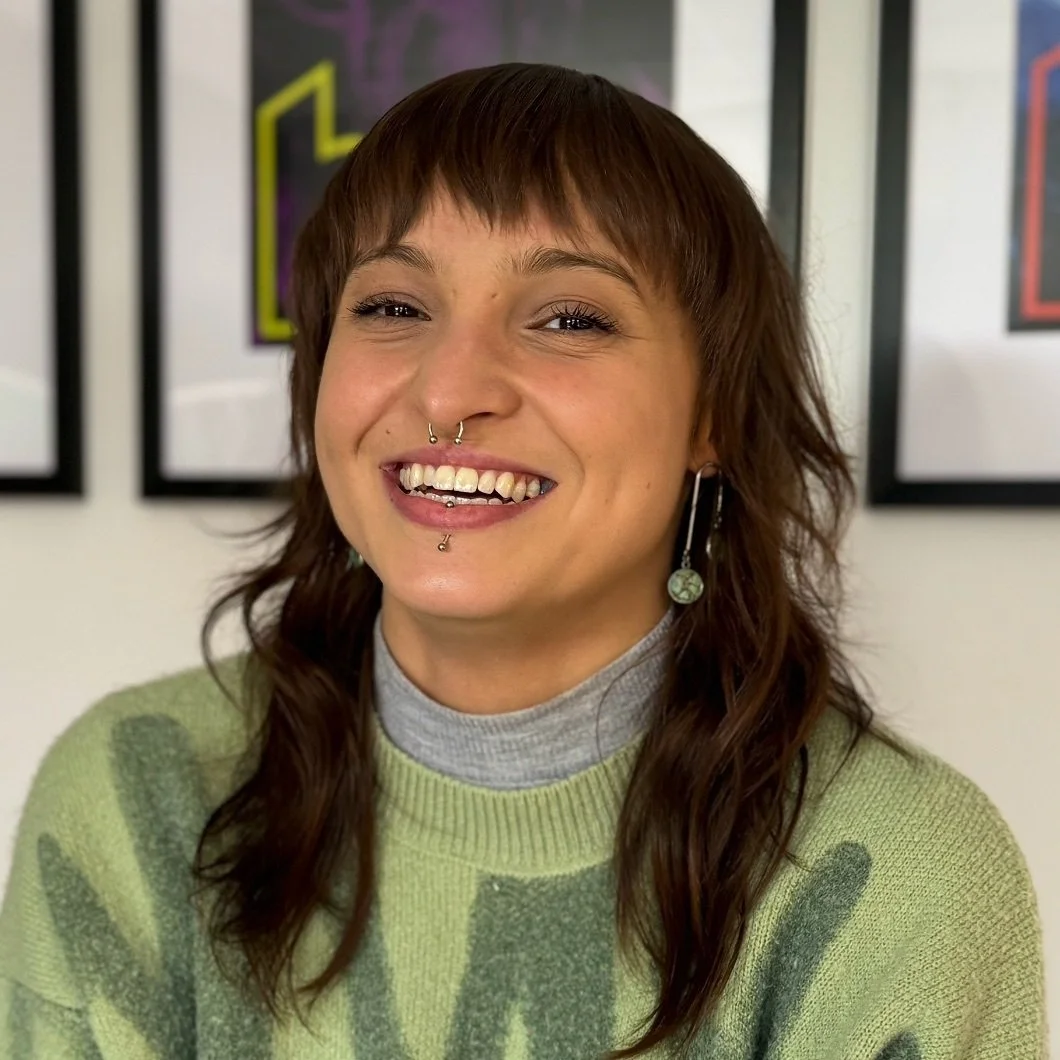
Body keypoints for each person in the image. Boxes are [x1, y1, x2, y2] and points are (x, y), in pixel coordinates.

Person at [0, 63, 1046, 1060]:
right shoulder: (133, 796)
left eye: (569, 317)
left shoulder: (906, 874)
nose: (449, 392)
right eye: (393, 307)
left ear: (713, 417)